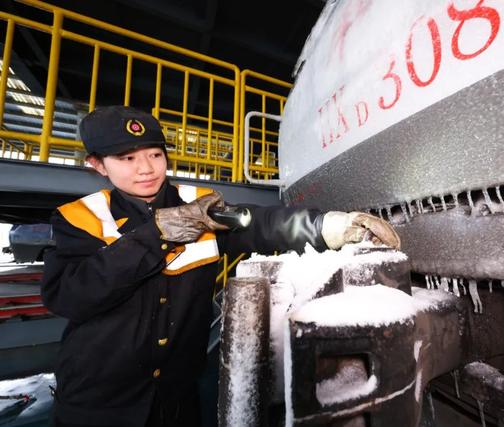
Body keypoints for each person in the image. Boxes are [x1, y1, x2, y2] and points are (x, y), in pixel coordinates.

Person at [41, 105, 400, 427]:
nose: (147, 169)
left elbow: (259, 224)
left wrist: (327, 226)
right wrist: (155, 235)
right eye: (127, 159)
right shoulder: (81, 219)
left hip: (177, 399)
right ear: (97, 165)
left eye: (154, 154)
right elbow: (71, 296)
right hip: (99, 403)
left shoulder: (199, 207)